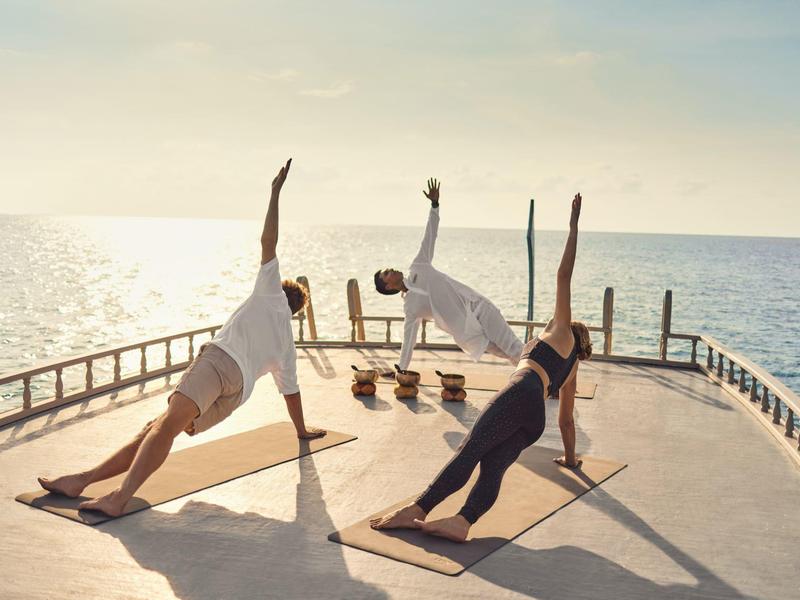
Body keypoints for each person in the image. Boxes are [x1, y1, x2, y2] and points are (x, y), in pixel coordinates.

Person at [37, 159, 326, 516]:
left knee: (165, 427)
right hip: (235, 394)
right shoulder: (286, 341)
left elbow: (268, 240)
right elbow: (291, 392)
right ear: (297, 311)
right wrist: (301, 431)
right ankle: (81, 480)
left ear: (282, 290)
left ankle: (118, 498)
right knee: (158, 427)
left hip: (220, 363)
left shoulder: (269, 292)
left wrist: (274, 192)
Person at [370, 193, 592, 542]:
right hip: (536, 421)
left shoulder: (560, 330)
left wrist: (573, 226)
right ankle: (463, 521)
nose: (553, 318)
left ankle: (419, 508)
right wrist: (570, 460)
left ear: (569, 327)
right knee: (493, 467)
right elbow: (565, 421)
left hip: (521, 391)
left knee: (472, 449)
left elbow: (564, 275)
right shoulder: (572, 365)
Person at [374, 178, 523, 373]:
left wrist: (434, 205)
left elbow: (430, 235)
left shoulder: (419, 265)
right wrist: (401, 368)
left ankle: (549, 382)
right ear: (388, 286)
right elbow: (409, 338)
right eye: (387, 273)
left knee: (514, 348)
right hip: (470, 335)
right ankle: (540, 384)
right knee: (509, 355)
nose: (392, 269)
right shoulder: (411, 308)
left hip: (477, 307)